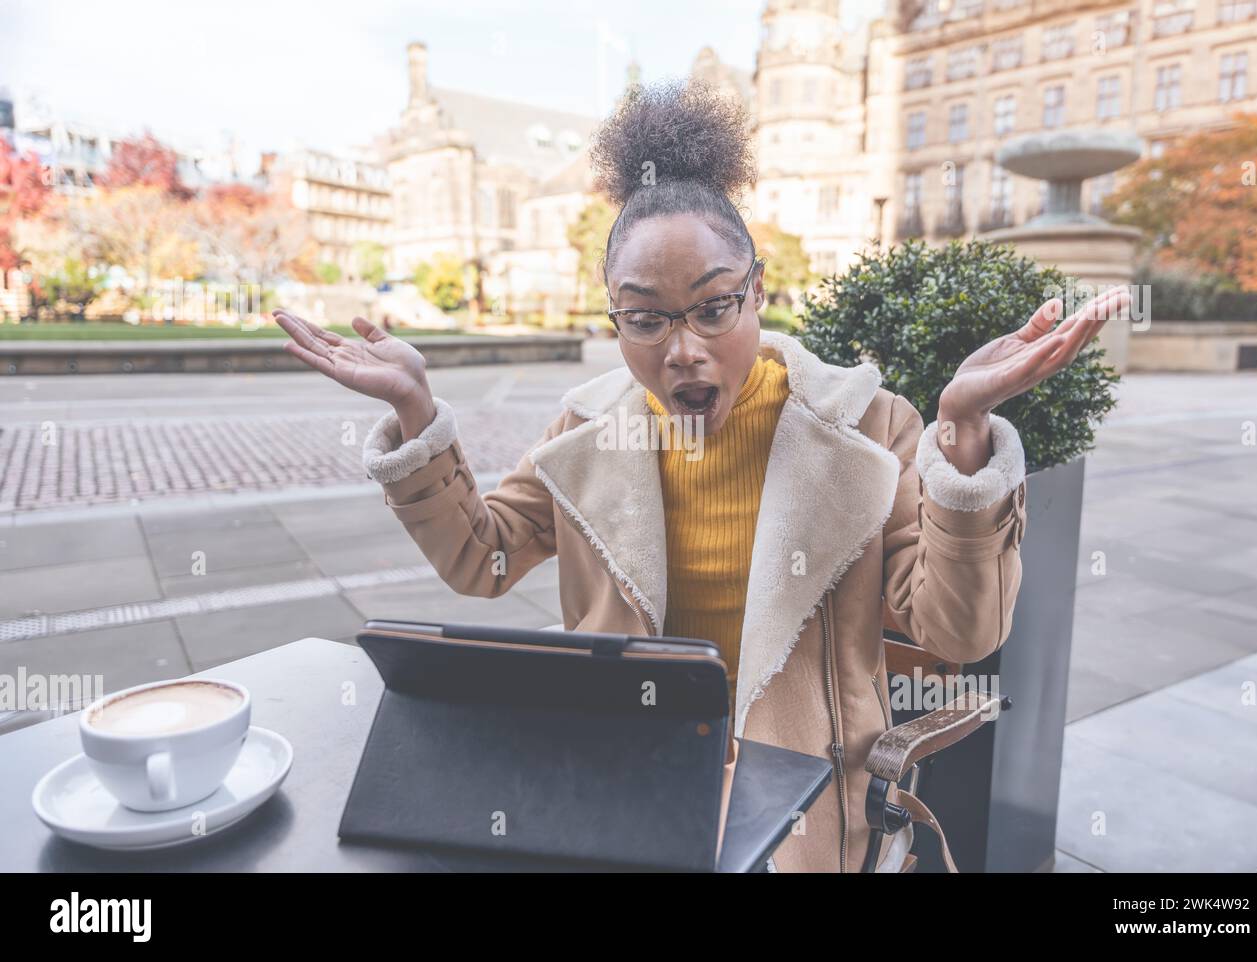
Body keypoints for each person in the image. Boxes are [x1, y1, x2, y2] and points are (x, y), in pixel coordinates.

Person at [273, 79, 1128, 873]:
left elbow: (959, 631)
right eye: (645, 318)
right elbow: (482, 560)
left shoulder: (870, 426)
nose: (682, 349)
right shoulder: (588, 428)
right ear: (614, 318)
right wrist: (418, 412)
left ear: (759, 292)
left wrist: (965, 435)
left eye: (714, 306)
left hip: (805, 798)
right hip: (621, 776)